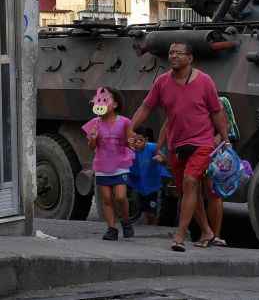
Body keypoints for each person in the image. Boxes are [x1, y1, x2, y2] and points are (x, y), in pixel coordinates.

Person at [129, 42, 228, 252]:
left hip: (202, 142)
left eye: (178, 53)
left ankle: (180, 235)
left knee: (191, 181)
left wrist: (225, 138)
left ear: (190, 58)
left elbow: (217, 112)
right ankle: (207, 231)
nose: (173, 56)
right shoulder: (162, 83)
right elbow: (146, 107)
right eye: (170, 52)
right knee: (187, 192)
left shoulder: (205, 81)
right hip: (176, 144)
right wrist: (130, 128)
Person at [82, 87, 136, 241]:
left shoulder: (125, 122)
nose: (101, 102)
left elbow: (130, 141)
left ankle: (125, 221)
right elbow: (92, 147)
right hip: (102, 164)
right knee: (106, 198)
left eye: (105, 100)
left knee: (120, 197)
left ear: (115, 105)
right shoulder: (94, 123)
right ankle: (111, 228)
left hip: (120, 163)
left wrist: (136, 144)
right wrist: (93, 138)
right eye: (99, 100)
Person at [129, 127, 170, 225]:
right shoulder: (130, 150)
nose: (137, 143)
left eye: (140, 140)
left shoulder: (152, 147)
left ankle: (153, 227)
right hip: (138, 186)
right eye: (135, 140)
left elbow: (165, 161)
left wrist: (161, 159)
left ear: (146, 140)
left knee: (152, 212)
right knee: (140, 210)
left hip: (153, 186)